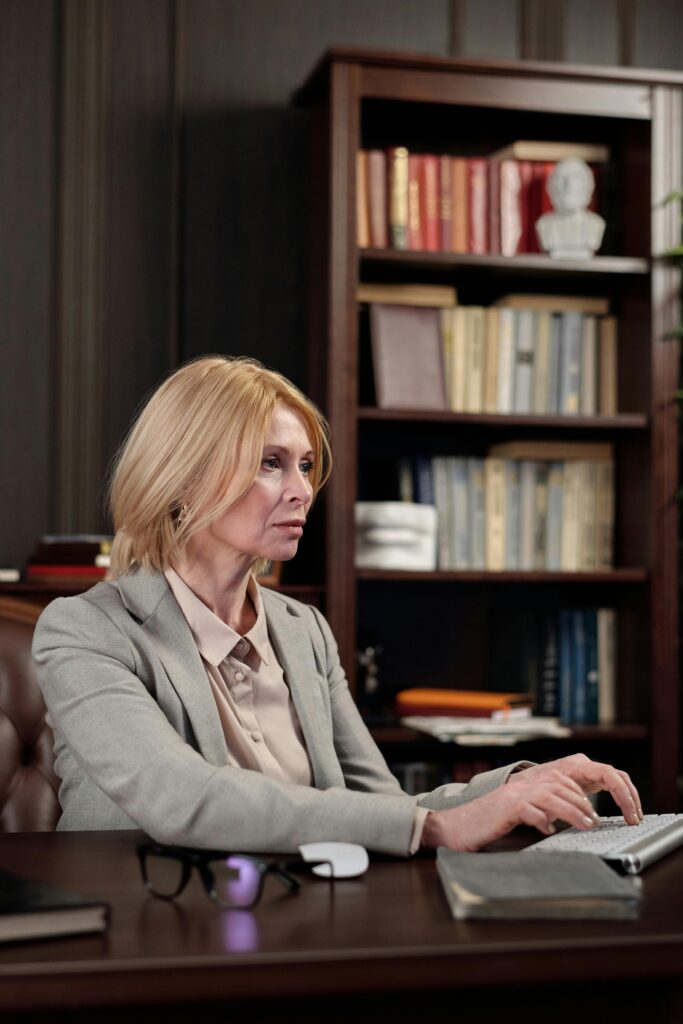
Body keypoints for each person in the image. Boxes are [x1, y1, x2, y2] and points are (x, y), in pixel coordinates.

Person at [32, 355, 642, 856]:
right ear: (184, 477)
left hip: (296, 920)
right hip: (147, 927)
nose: (302, 490)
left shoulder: (303, 629)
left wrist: (516, 788)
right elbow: (180, 797)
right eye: (271, 464)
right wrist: (435, 829)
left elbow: (385, 809)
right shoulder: (86, 630)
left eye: (304, 466)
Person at [536, 157, 606, 259]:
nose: (569, 185)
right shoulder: (543, 224)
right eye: (562, 178)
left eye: (576, 178)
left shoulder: (597, 224)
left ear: (588, 186)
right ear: (551, 186)